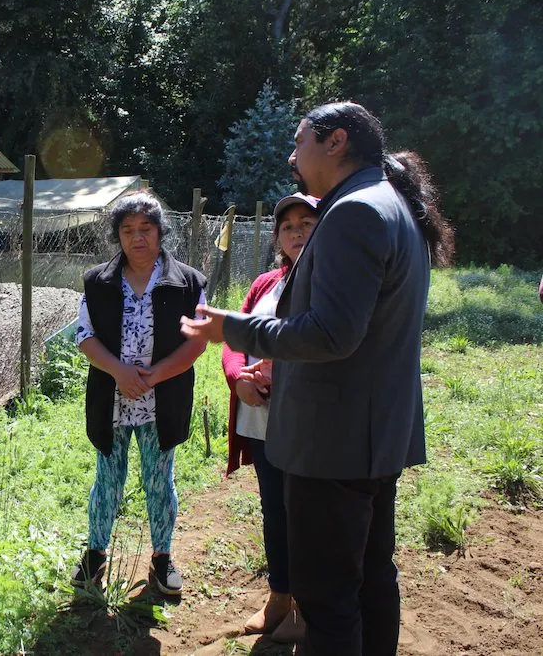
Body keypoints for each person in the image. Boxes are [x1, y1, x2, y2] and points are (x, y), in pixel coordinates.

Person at [181, 102, 454, 656]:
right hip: (376, 436)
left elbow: (332, 335)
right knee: (373, 578)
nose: (291, 154)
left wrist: (234, 328)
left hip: (333, 445)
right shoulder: (394, 206)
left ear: (335, 142)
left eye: (300, 140)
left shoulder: (354, 213)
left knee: (328, 600)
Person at [72, 192, 208, 596]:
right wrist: (118, 371)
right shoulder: (99, 281)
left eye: (145, 229)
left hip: (160, 400)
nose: (137, 237)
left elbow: (197, 342)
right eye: (127, 230)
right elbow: (85, 336)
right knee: (107, 480)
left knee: (159, 480)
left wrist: (154, 376)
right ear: (118, 235)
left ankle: (162, 558)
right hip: (111, 398)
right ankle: (96, 554)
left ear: (160, 232)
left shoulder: (187, 282)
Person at [221, 193, 319, 641]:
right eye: (288, 226)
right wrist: (238, 378)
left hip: (309, 423)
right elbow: (234, 337)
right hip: (261, 421)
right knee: (275, 509)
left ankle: (309, 604)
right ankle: (279, 595)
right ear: (278, 237)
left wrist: (281, 370)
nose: (297, 232)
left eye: (307, 223)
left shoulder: (330, 282)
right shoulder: (265, 284)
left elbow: (327, 344)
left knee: (309, 512)